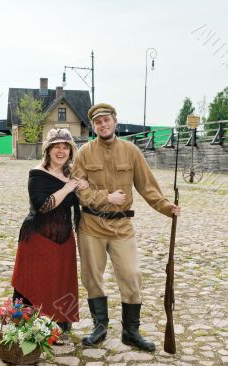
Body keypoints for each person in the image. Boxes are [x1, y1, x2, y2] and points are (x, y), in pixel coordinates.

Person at [72, 103, 180, 351]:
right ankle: (99, 327)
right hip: (91, 226)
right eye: (98, 122)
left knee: (131, 276)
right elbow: (80, 189)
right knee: (91, 278)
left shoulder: (131, 151)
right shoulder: (84, 153)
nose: (103, 125)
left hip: (122, 226)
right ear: (93, 126)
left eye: (107, 120)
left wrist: (166, 207)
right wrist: (106, 198)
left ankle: (130, 331)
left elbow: (147, 186)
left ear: (115, 122)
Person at [11, 128, 88, 333]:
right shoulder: (37, 174)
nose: (61, 151)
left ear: (71, 152)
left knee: (60, 280)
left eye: (66, 147)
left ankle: (58, 321)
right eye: (57, 147)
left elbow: (80, 199)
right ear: (48, 150)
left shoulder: (70, 174)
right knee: (34, 280)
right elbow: (43, 206)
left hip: (64, 238)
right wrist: (68, 187)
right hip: (38, 237)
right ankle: (27, 324)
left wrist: (83, 186)